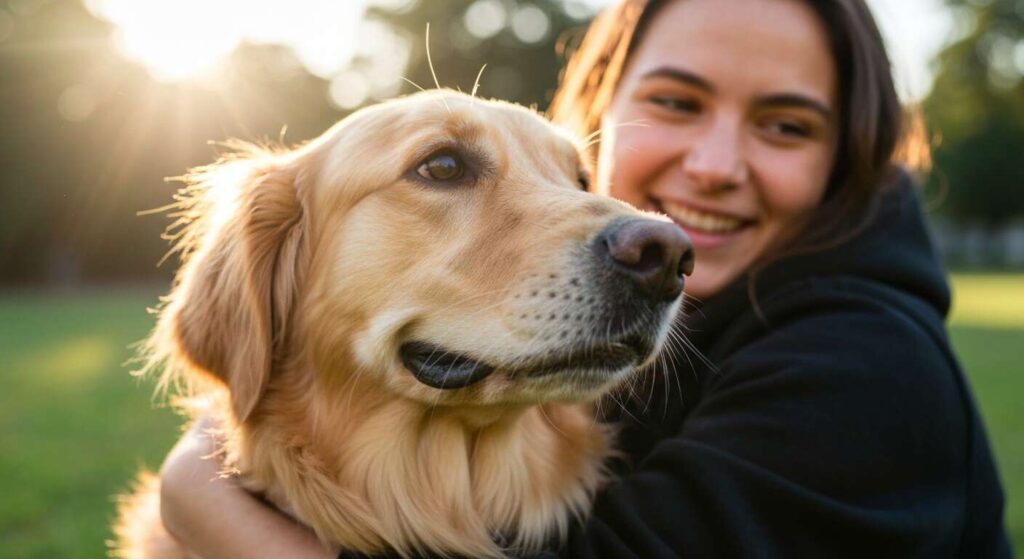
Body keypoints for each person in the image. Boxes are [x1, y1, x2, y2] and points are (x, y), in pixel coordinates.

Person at [157, 0, 1012, 557]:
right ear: (608, 103)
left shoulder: (871, 375)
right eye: (446, 168)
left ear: (846, 163)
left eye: (786, 125)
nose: (711, 169)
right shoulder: (702, 311)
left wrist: (211, 505)